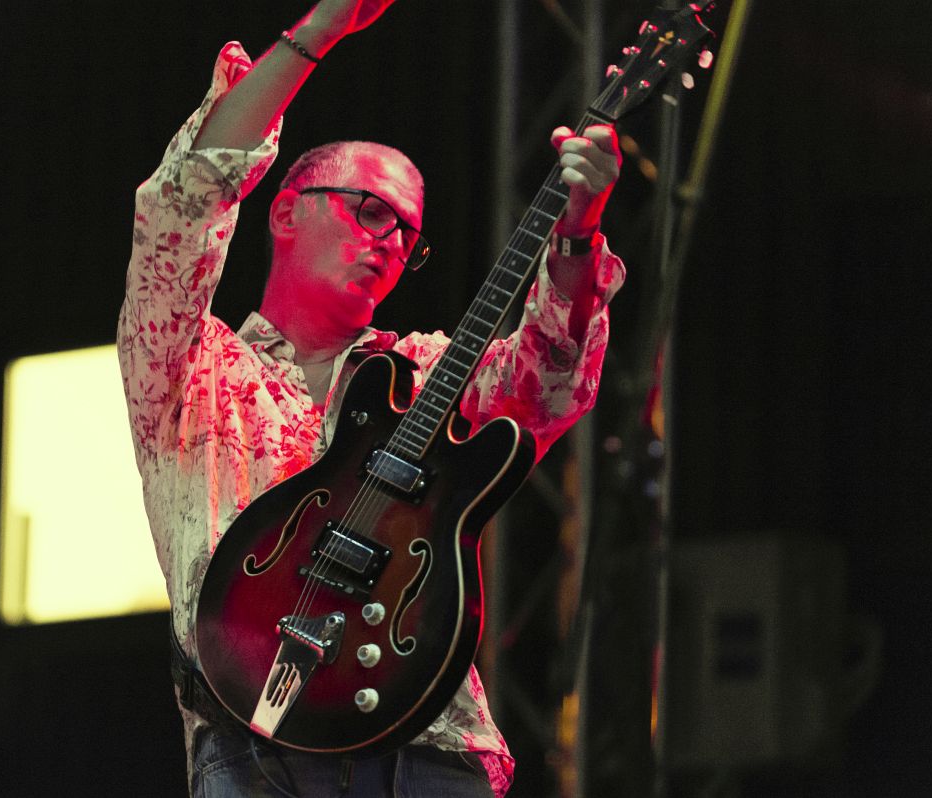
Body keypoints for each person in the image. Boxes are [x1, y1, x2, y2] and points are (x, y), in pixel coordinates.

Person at [118, 1, 624, 795]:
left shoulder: (426, 370)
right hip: (260, 748)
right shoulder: (190, 366)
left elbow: (551, 383)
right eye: (371, 211)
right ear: (287, 211)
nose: (391, 240)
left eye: (407, 235)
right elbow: (181, 203)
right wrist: (318, 31)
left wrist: (576, 236)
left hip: (434, 745)